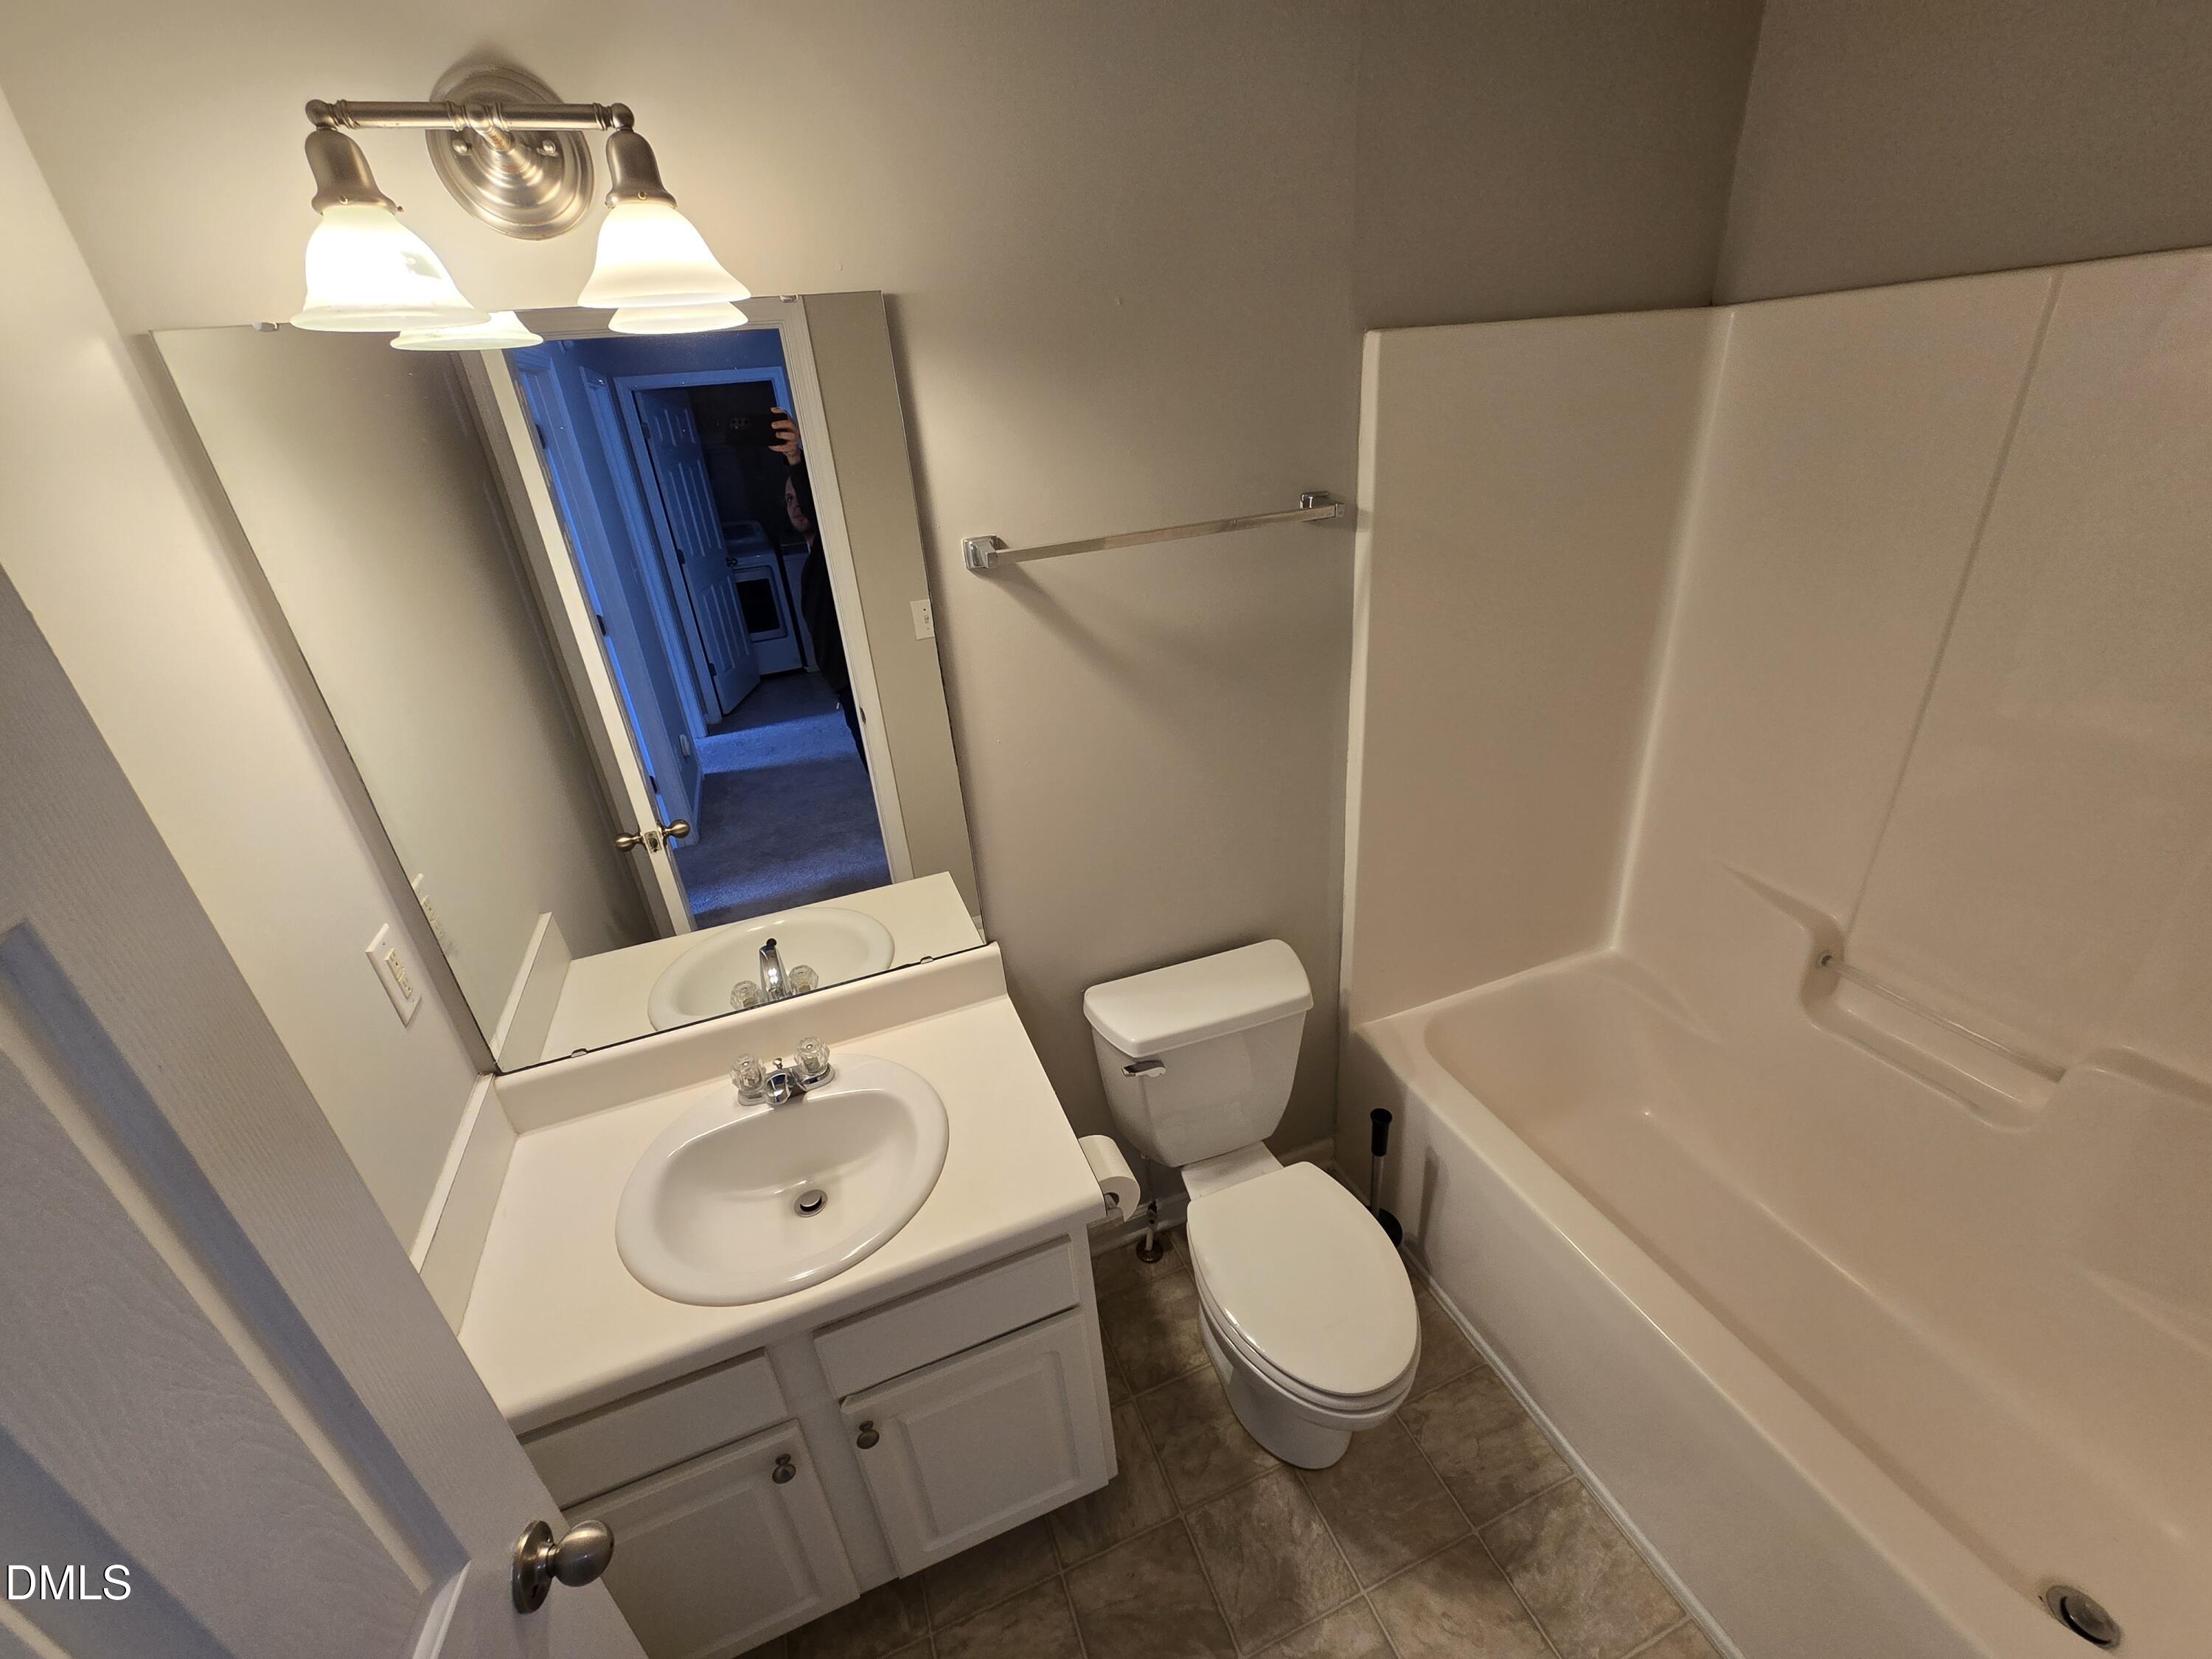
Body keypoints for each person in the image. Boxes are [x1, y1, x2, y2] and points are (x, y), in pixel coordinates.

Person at [782, 459, 865, 763]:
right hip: (845, 685)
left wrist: (794, 457)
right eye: (789, 500)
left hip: (856, 680)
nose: (795, 505)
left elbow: (822, 510)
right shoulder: (813, 559)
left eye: (800, 496)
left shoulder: (832, 548)